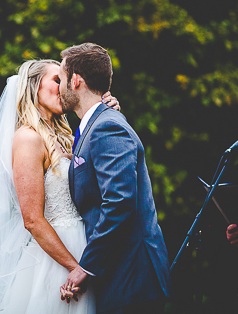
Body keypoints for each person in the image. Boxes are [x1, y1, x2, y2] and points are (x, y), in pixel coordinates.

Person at [0, 59, 120, 313]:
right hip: (54, 261)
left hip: (84, 248)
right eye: (57, 80)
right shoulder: (27, 138)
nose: (64, 87)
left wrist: (107, 114)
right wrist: (75, 268)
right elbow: (33, 220)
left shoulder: (69, 138)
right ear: (34, 86)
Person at [58, 43, 171, 312]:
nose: (59, 86)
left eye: (61, 78)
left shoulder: (107, 127)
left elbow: (119, 202)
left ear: (76, 81)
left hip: (132, 278)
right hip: (120, 277)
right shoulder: (93, 126)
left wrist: (87, 266)